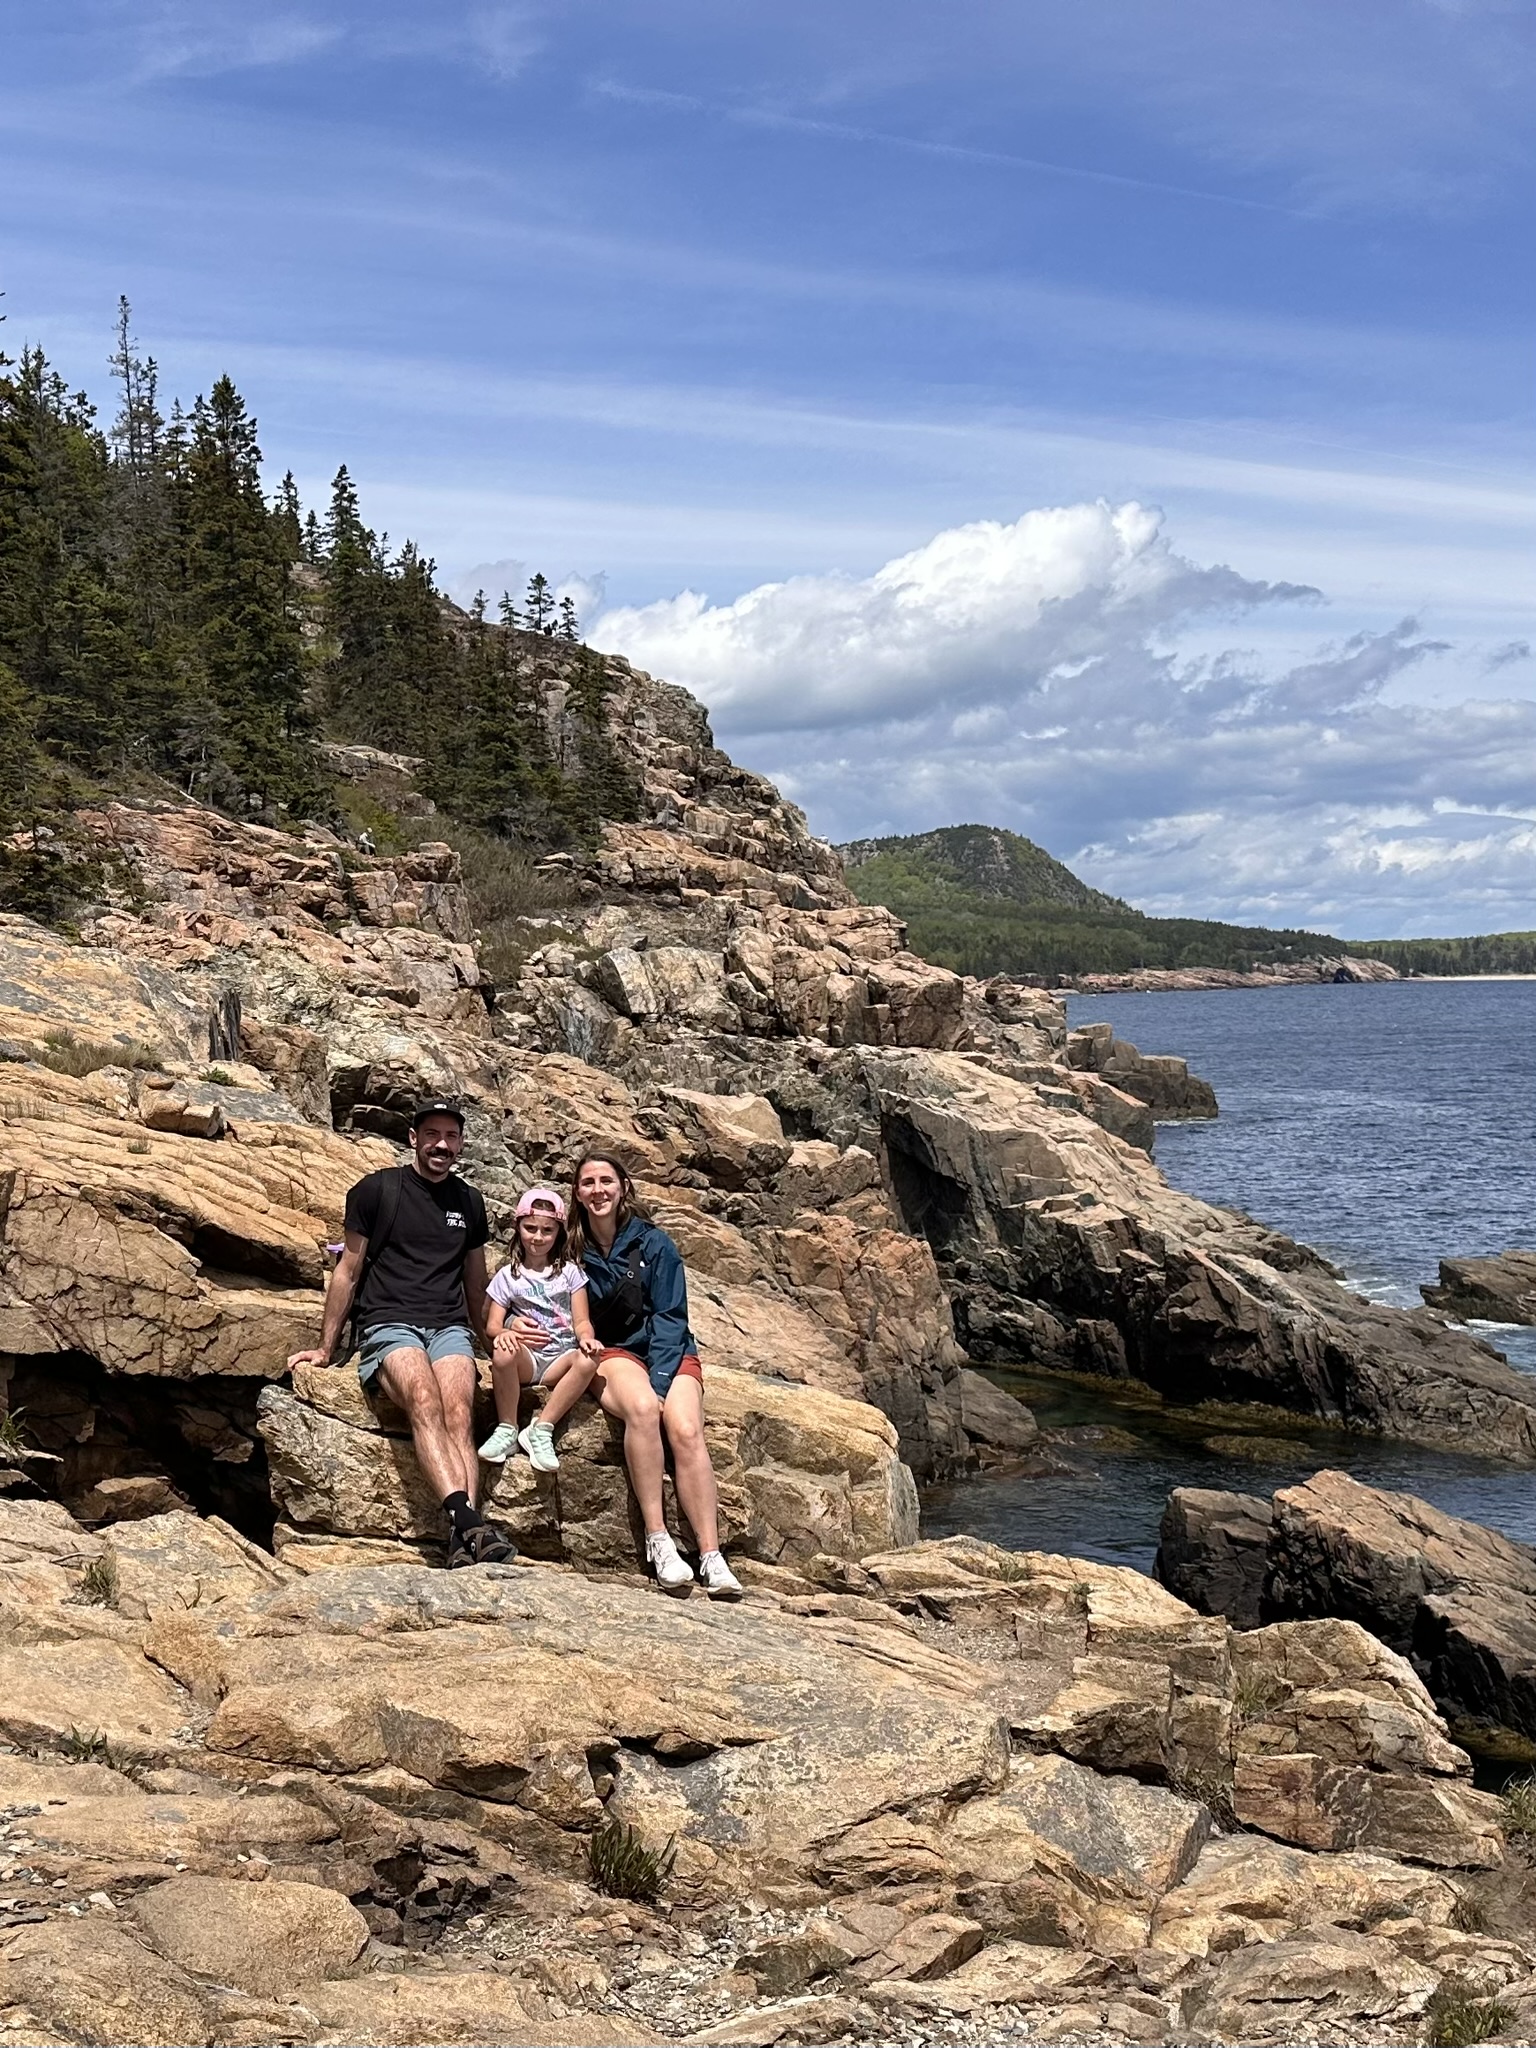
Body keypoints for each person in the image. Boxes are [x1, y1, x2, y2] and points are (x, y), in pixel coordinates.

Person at [288, 1099, 515, 1568]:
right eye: (432, 1134)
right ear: (414, 1138)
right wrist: (326, 1348)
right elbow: (348, 1272)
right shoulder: (377, 1190)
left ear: (461, 1144)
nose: (441, 1145)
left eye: (451, 1136)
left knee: (459, 1411)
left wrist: (494, 1343)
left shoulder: (469, 1202)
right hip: (389, 1321)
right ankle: (470, 1522)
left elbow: (476, 1284)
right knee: (424, 1399)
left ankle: (463, 1538)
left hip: (448, 1325)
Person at [568, 1150, 742, 1599]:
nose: (598, 1191)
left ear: (623, 1187)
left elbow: (670, 1316)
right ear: (578, 1193)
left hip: (669, 1350)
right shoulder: (571, 1248)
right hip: (613, 1350)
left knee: (685, 1429)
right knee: (644, 1410)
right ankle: (659, 1539)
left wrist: (662, 1379)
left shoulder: (655, 1243)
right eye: (588, 1183)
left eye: (606, 1181)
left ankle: (710, 1554)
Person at [478, 1186, 602, 1472]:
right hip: (528, 1358)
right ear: (518, 1227)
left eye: (547, 1230)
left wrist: (587, 1338)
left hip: (560, 1358)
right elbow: (492, 1326)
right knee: (503, 1350)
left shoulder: (570, 1272)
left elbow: (582, 1320)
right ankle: (507, 1428)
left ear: (559, 1232)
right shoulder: (507, 1276)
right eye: (530, 1228)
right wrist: (506, 1332)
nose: (537, 1237)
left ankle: (541, 1428)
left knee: (590, 1359)